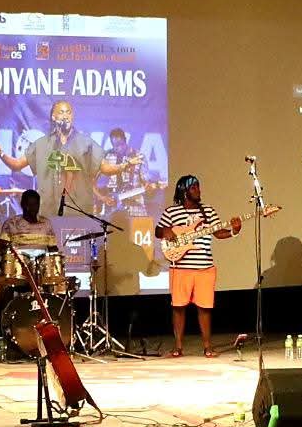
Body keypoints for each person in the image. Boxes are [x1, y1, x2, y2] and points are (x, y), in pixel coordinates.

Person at [0, 101, 127, 215]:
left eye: (68, 112)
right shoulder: (42, 144)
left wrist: (124, 166)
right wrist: (0, 152)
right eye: (62, 112)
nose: (66, 116)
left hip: (77, 212)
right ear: (53, 117)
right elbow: (17, 165)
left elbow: (105, 168)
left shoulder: (85, 143)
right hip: (49, 211)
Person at [154, 175, 241, 357]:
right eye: (194, 188)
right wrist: (166, 230)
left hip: (204, 267)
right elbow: (158, 231)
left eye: (198, 187)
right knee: (178, 307)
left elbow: (218, 233)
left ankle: (207, 347)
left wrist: (234, 230)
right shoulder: (171, 212)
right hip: (180, 268)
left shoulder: (208, 211)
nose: (198, 190)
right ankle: (178, 347)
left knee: (204, 308)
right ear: (184, 191)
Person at [99, 128, 160, 213]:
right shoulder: (107, 156)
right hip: (113, 205)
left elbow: (145, 180)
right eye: (115, 145)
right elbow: (99, 182)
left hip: (135, 205)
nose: (118, 148)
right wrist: (103, 197)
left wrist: (149, 185)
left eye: (121, 144)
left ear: (125, 140)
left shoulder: (138, 156)